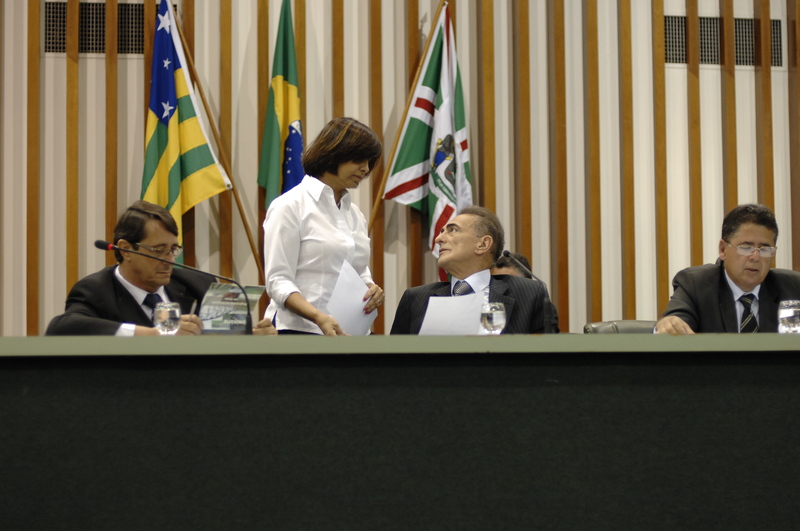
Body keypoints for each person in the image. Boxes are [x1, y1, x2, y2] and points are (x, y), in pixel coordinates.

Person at [46, 200, 277, 336]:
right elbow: (61, 327)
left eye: (173, 249)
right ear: (126, 250)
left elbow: (227, 341)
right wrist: (153, 335)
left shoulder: (198, 284)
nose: (169, 260)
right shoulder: (97, 290)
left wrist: (254, 340)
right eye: (158, 250)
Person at [262, 117, 385, 335]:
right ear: (334, 153)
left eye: (369, 163)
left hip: (350, 333)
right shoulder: (289, 206)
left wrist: (369, 286)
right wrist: (318, 317)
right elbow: (278, 280)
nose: (366, 169)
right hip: (300, 331)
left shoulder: (355, 214)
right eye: (359, 160)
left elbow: (356, 269)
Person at [390, 206, 558, 334]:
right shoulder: (415, 299)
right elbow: (394, 361)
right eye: (441, 232)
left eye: (452, 230)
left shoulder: (529, 294)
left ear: (483, 244)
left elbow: (548, 358)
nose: (439, 239)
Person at [655, 203, 800, 334]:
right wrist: (669, 324)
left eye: (765, 249)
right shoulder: (695, 284)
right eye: (746, 247)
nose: (755, 257)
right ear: (723, 249)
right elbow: (677, 320)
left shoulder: (793, 288)